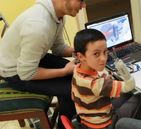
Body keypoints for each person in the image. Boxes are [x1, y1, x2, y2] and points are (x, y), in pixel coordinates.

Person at [0, 0, 85, 128]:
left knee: (79, 73)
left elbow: (58, 48)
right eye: (81, 0)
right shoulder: (38, 26)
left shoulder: (58, 16)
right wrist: (63, 71)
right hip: (15, 72)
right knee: (71, 90)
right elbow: (26, 73)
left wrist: (81, 52)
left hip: (31, 60)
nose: (84, 5)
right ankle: (64, 125)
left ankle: (71, 112)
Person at [71, 29, 141, 129]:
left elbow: (75, 95)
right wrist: (123, 70)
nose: (103, 58)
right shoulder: (95, 84)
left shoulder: (77, 70)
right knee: (140, 98)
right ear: (81, 56)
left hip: (87, 119)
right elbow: (130, 85)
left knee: (126, 95)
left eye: (105, 52)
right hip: (103, 125)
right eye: (96, 54)